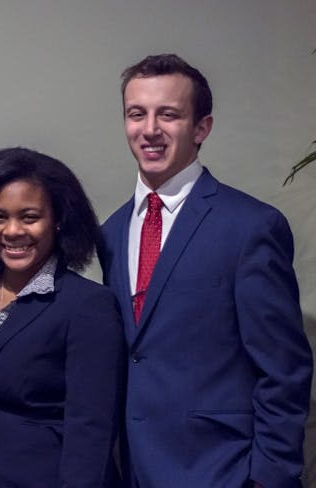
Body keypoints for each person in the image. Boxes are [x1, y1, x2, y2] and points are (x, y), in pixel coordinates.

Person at [99, 53, 313, 488]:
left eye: (169, 114)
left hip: (224, 471)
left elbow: (284, 371)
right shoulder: (111, 231)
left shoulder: (251, 227)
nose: (150, 130)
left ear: (202, 128)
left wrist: (268, 479)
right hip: (135, 471)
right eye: (137, 114)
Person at [0, 147, 125, 487]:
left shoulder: (87, 306)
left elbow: (91, 431)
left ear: (57, 221)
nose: (13, 231)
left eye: (29, 217)